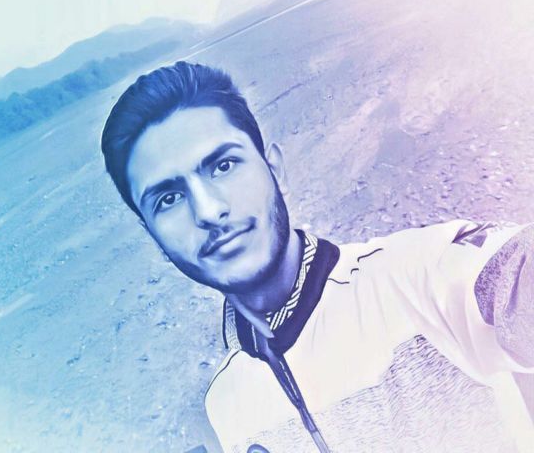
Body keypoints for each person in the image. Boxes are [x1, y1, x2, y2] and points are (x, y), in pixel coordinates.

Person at [100, 61, 533, 452]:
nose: (209, 210)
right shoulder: (224, 404)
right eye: (169, 198)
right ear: (153, 235)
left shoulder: (421, 275)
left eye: (224, 166)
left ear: (275, 168)